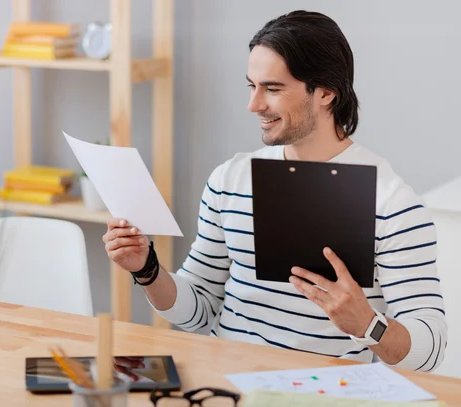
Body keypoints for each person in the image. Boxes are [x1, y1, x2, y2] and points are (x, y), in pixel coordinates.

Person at [102, 10, 447, 372]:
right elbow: (200, 310)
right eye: (252, 86)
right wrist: (147, 270)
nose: (254, 105)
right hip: (224, 381)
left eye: (273, 88)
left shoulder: (392, 202)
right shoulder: (230, 180)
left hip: (326, 392)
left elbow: (430, 352)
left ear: (326, 92)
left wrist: (366, 323)